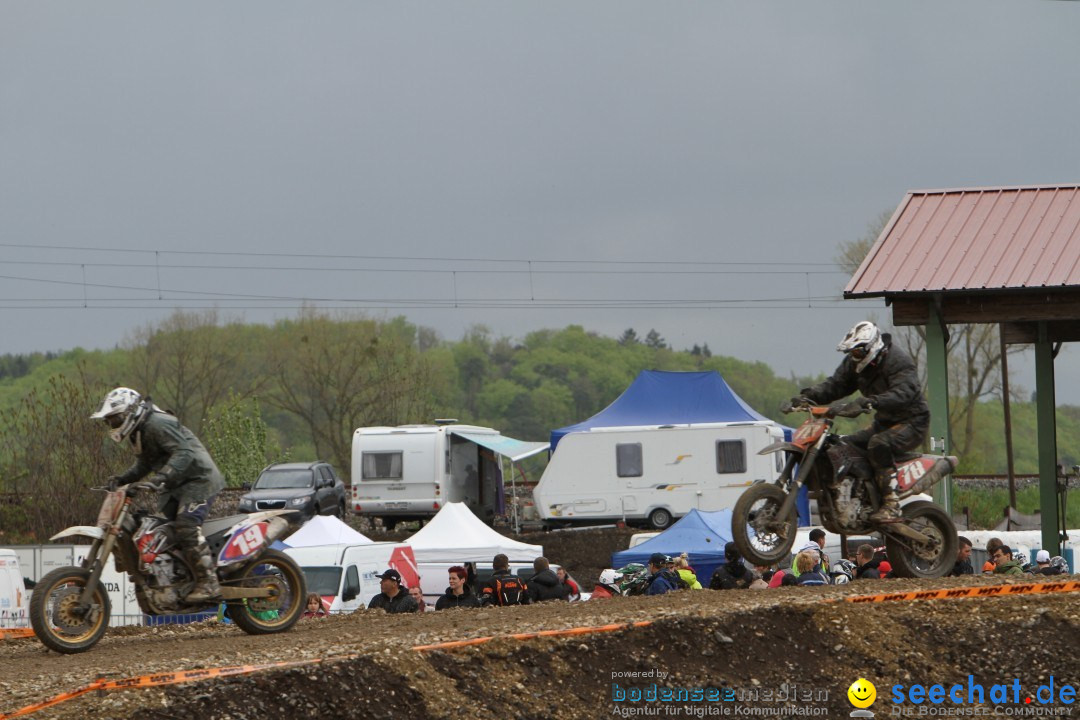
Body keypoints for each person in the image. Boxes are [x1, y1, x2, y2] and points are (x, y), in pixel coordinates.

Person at [92, 387, 225, 603]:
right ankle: (180, 579)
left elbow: (185, 453)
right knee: (160, 531)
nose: (112, 425)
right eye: (109, 421)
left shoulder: (158, 423)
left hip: (198, 480)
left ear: (129, 412)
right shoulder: (139, 432)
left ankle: (209, 583)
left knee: (186, 526)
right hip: (176, 485)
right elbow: (145, 463)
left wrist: (161, 476)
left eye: (114, 419)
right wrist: (122, 479)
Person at [794, 321, 930, 522]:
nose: (853, 356)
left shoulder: (898, 361)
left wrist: (871, 401)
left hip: (913, 422)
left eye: (857, 352)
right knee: (844, 445)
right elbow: (837, 385)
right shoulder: (855, 364)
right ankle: (862, 496)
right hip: (884, 422)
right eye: (851, 353)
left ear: (871, 347)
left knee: (879, 443)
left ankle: (891, 503)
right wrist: (810, 396)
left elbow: (905, 392)